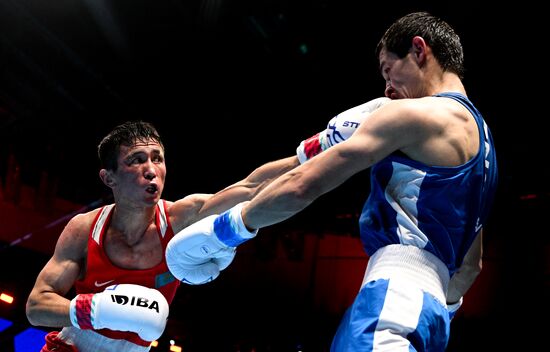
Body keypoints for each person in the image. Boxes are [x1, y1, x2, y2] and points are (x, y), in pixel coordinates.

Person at [167, 11, 498, 351]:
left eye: (388, 69)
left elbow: (302, 184)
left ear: (419, 49)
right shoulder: (485, 150)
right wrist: (433, 311)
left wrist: (225, 231)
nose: (386, 87)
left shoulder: (412, 114)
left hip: (394, 301)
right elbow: (472, 266)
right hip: (432, 317)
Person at [25, 120, 303, 352]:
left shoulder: (181, 218)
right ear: (109, 178)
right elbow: (36, 306)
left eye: (157, 158)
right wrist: (95, 309)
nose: (151, 170)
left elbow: (251, 187)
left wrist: (312, 152)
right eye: (136, 160)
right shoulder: (85, 228)